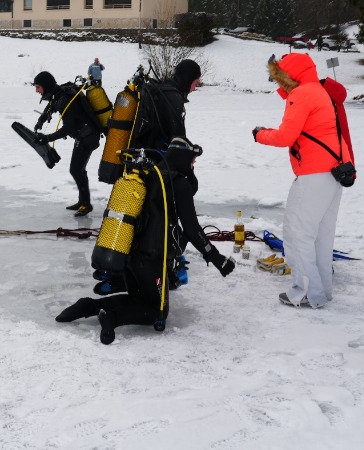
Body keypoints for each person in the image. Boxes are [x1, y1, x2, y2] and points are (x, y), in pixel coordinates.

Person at [55, 138, 235, 344]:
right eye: (193, 160)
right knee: (157, 311)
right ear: (184, 158)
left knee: (138, 300)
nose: (193, 165)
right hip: (151, 258)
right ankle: (113, 318)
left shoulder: (149, 174)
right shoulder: (179, 183)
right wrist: (216, 258)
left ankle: (86, 306)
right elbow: (192, 228)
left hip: (128, 251)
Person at [252, 53, 352, 309]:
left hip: (314, 175)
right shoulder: (319, 91)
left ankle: (305, 292)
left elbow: (286, 136)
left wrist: (260, 134)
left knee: (298, 233)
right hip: (334, 173)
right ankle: (321, 292)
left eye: (280, 79)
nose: (279, 85)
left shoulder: (302, 94)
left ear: (289, 75)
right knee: (321, 235)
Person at [32, 71, 101, 217]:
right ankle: (83, 201)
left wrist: (48, 138)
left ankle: (86, 204)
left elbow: (68, 128)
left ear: (46, 86)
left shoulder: (65, 100)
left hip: (87, 137)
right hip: (84, 135)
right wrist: (41, 121)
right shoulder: (59, 94)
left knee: (76, 170)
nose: (36, 90)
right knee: (78, 169)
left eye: (38, 87)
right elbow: (50, 106)